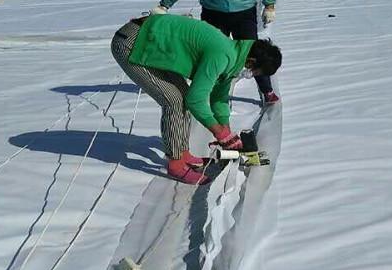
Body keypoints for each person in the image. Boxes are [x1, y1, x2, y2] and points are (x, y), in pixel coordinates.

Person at [111, 14, 282, 184]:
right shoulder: (222, 54)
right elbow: (196, 99)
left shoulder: (235, 55)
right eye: (256, 73)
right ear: (251, 62)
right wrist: (219, 132)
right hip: (132, 43)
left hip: (152, 42)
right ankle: (176, 163)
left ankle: (182, 153)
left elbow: (219, 97)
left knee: (182, 98)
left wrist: (226, 131)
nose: (252, 76)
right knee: (173, 101)